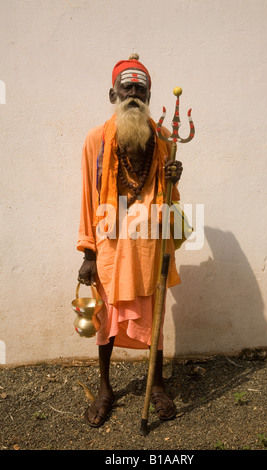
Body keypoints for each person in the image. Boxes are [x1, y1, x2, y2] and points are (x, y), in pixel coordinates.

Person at [77, 53, 183, 428]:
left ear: (150, 95)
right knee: (105, 318)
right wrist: (88, 250)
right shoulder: (94, 140)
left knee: (155, 316)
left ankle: (156, 384)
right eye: (127, 88)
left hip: (150, 246)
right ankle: (105, 387)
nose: (134, 95)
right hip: (110, 245)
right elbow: (89, 197)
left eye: (141, 89)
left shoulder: (164, 139)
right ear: (113, 94)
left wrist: (175, 175)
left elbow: (171, 201)